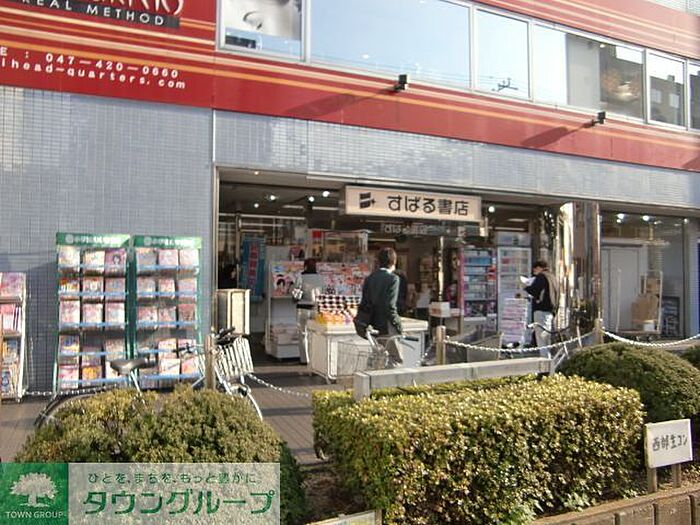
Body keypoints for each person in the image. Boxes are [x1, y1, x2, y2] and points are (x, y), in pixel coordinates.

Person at [357, 247, 404, 363]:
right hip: (387, 326)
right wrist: (398, 325)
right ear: (394, 261)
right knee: (396, 360)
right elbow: (390, 306)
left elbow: (365, 303)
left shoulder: (370, 278)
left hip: (372, 325)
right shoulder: (393, 279)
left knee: (379, 358)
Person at [524, 260, 559, 352]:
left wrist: (526, 286)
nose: (534, 272)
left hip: (541, 310)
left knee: (542, 340)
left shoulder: (542, 276)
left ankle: (545, 359)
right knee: (547, 339)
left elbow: (534, 290)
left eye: (535, 270)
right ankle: (549, 358)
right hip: (551, 311)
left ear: (539, 268)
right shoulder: (553, 277)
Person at [295, 258, 324, 364]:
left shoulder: (301, 277)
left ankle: (304, 359)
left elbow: (296, 293)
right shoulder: (320, 278)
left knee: (303, 334)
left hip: (302, 308)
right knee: (315, 334)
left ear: (305, 266)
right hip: (316, 308)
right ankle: (314, 359)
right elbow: (323, 292)